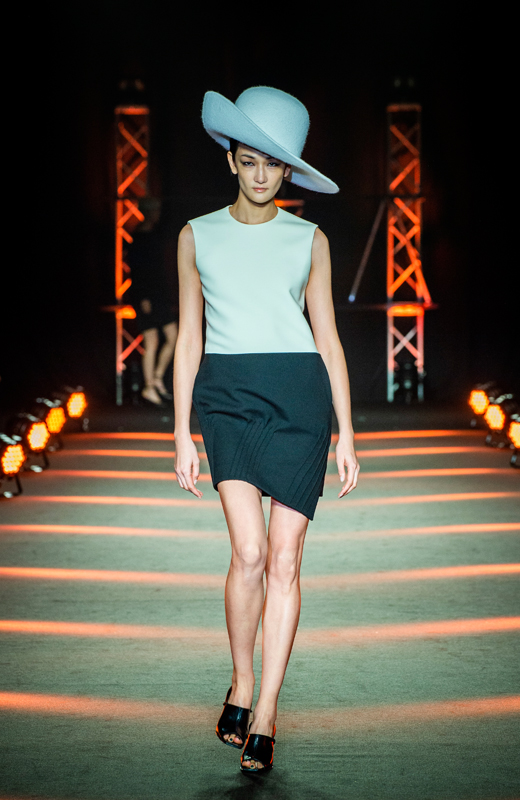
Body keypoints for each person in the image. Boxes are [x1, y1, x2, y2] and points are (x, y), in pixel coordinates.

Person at [173, 87, 359, 774]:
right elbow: (189, 338)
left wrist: (347, 434)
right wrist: (180, 434)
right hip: (226, 399)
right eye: (249, 160)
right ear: (230, 160)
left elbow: (329, 340)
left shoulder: (309, 239)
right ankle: (242, 681)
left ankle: (267, 712)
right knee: (248, 552)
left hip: (299, 401)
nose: (260, 175)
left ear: (289, 171)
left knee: (284, 559)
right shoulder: (195, 235)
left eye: (273, 164)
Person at [126, 198, 179, 405]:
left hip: (159, 295)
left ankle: (156, 378)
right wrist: (144, 297)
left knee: (172, 336)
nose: (157, 213)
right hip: (146, 296)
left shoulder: (155, 234)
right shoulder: (139, 238)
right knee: (152, 340)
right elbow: (137, 271)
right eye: (154, 210)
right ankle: (149, 386)